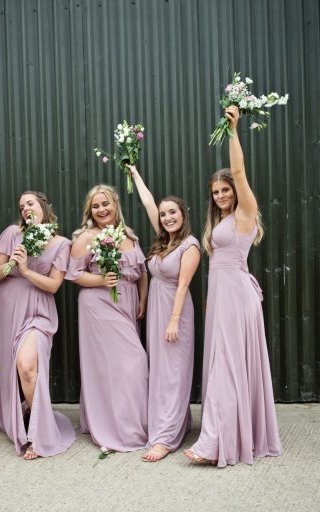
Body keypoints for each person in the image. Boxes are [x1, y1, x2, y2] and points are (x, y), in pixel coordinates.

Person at [184, 106, 282, 466]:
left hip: (238, 297)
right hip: (221, 298)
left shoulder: (245, 212)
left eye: (225, 190)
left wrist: (233, 130)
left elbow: (239, 171)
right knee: (221, 363)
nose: (221, 195)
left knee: (226, 365)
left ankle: (214, 442)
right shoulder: (220, 220)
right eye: (215, 192)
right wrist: (211, 298)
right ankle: (227, 432)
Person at [0, 191, 75, 460]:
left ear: (43, 207)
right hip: (6, 309)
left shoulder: (62, 244)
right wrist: (11, 264)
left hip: (38, 310)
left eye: (30, 203)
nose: (25, 208)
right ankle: (24, 412)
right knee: (9, 370)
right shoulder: (12, 234)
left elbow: (54, 285)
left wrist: (26, 270)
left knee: (27, 366)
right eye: (21, 206)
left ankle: (39, 436)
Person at [65, 184, 148, 454]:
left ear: (115, 205)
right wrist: (101, 280)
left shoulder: (128, 235)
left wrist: (143, 298)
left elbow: (142, 271)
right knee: (128, 363)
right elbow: (74, 274)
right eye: (96, 206)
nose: (101, 210)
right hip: (99, 305)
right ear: (90, 210)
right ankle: (117, 429)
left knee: (125, 367)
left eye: (105, 204)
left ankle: (133, 422)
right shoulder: (86, 237)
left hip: (128, 303)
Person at [127, 165, 200, 462]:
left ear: (183, 215)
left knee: (173, 373)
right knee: (160, 371)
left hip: (174, 313)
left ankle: (166, 438)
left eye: (173, 212)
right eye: (164, 214)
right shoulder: (163, 240)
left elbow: (183, 286)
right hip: (158, 311)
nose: (167, 217)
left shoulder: (189, 246)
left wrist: (173, 321)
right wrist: (135, 174)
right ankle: (176, 422)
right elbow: (148, 203)